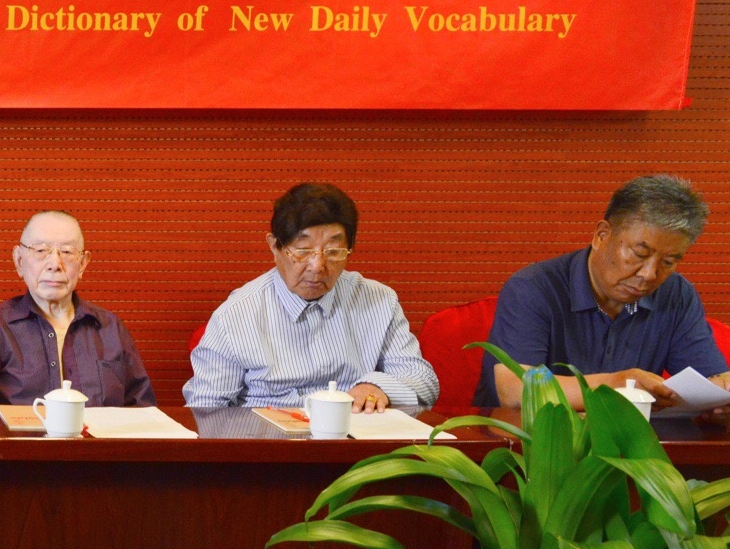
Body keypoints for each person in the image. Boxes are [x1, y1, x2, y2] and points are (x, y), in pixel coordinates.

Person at [479, 175, 730, 418]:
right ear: (601, 235)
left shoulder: (676, 295)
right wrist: (618, 384)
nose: (649, 274)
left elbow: (713, 382)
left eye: (668, 262)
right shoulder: (532, 288)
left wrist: (722, 397)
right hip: (529, 443)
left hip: (632, 444)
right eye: (639, 254)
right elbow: (515, 391)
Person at [184, 183, 438, 412]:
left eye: (334, 252)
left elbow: (424, 382)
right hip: (270, 441)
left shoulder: (379, 301)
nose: (318, 267)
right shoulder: (236, 314)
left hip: (356, 442)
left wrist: (375, 387)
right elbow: (205, 410)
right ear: (275, 247)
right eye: (303, 251)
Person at [0, 210, 153, 407]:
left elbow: (142, 410)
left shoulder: (111, 329)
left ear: (83, 264)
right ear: (19, 260)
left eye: (67, 252)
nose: (54, 265)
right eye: (40, 251)